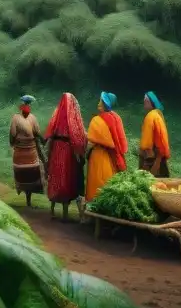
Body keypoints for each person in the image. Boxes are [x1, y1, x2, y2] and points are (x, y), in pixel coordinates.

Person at [45, 92, 86, 222]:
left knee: (55, 178)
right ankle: (65, 214)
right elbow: (77, 137)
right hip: (67, 152)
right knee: (65, 179)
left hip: (56, 150)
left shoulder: (56, 115)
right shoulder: (72, 117)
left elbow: (49, 134)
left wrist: (49, 152)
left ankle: (52, 210)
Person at [85, 92, 128, 202]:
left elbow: (91, 141)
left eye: (101, 101)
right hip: (112, 157)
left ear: (105, 104)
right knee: (108, 182)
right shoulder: (116, 118)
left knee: (96, 183)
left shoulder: (97, 121)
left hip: (98, 155)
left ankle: (94, 207)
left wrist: (85, 153)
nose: (99, 103)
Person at [9, 95, 45, 206]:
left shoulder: (17, 118)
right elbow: (37, 133)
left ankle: (28, 200)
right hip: (27, 152)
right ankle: (28, 200)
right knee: (28, 175)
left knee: (27, 175)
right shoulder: (30, 118)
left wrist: (14, 143)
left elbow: (12, 135)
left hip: (25, 151)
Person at [138, 91, 171, 178]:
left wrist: (147, 162)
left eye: (146, 101)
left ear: (151, 103)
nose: (144, 103)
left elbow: (147, 144)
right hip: (160, 157)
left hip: (152, 158)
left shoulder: (150, 116)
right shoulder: (158, 115)